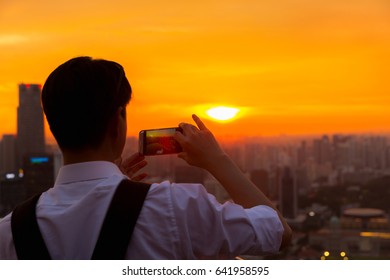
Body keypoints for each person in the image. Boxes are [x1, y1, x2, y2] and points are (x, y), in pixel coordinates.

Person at [0, 56, 291, 259]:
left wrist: (119, 195)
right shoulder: (175, 207)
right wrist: (217, 159)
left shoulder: (9, 231)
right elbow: (278, 233)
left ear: (52, 126)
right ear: (118, 122)